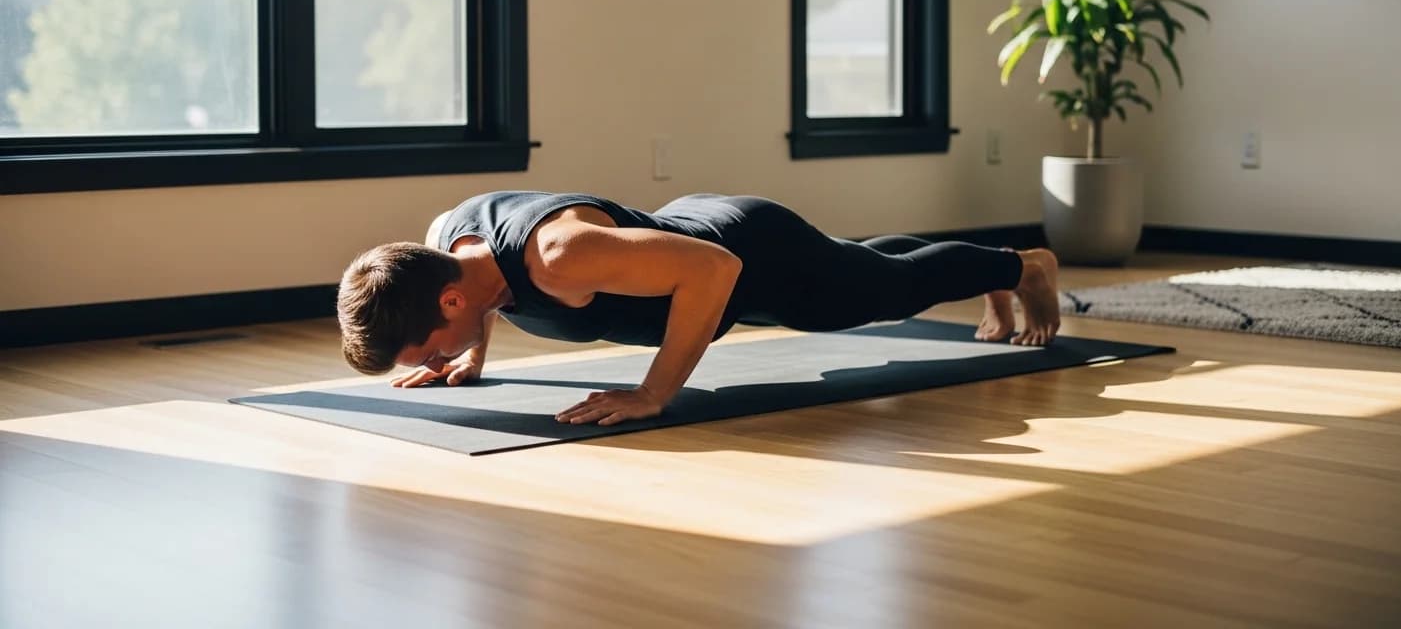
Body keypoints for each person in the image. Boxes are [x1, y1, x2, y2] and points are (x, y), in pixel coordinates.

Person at [337, 191, 1060, 426]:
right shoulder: (443, 246)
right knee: (867, 266)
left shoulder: (561, 257)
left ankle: (1021, 266)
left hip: (748, 252)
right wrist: (467, 354)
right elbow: (480, 290)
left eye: (427, 349)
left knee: (876, 292)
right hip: (685, 228)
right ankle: (987, 272)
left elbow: (716, 273)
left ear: (449, 300)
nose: (433, 361)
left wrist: (654, 392)